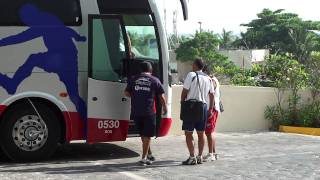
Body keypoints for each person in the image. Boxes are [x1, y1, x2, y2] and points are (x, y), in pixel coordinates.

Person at [125, 62, 167, 166]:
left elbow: (126, 93)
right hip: (149, 112)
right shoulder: (155, 80)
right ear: (151, 70)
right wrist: (165, 107)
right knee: (147, 136)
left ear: (141, 70)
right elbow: (161, 96)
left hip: (136, 111)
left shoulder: (133, 79)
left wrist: (136, 96)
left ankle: (149, 154)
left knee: (143, 135)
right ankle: (144, 158)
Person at [180, 59, 214, 165]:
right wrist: (210, 109)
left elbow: (185, 91)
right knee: (201, 133)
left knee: (188, 133)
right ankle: (199, 156)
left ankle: (192, 157)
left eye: (192, 64)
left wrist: (182, 103)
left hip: (191, 106)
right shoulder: (208, 78)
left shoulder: (191, 75)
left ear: (195, 65)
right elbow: (211, 95)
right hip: (203, 107)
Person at [202, 65, 221, 162]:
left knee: (209, 132)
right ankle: (213, 153)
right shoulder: (213, 79)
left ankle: (211, 154)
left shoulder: (211, 80)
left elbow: (211, 94)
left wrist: (210, 109)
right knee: (210, 131)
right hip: (212, 108)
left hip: (211, 109)